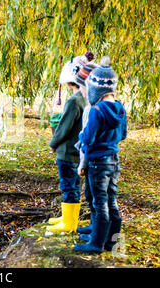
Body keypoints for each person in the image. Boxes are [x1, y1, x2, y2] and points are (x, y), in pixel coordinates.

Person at [74, 57, 127, 253]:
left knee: (100, 202)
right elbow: (123, 135)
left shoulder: (96, 111)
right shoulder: (120, 108)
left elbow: (88, 138)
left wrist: (81, 134)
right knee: (112, 201)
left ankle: (96, 244)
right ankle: (112, 242)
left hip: (98, 163)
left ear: (96, 88)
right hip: (114, 160)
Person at [46, 56, 87, 233]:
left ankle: (69, 222)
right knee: (72, 184)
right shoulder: (87, 99)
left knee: (68, 185)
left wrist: (53, 143)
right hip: (78, 151)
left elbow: (64, 127)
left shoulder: (74, 101)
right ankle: (67, 217)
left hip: (67, 151)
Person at [73, 62, 98, 239]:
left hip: (92, 160)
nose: (80, 91)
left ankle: (98, 232)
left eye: (82, 87)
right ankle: (94, 225)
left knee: (97, 196)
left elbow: (88, 139)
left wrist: (83, 163)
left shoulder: (92, 109)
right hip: (92, 159)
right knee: (90, 194)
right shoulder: (92, 108)